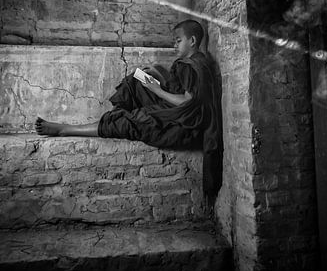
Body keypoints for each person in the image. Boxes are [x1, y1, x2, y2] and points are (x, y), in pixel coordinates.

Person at [35, 19, 223, 203]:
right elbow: (181, 90)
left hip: (184, 127)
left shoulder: (194, 65)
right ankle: (114, 122)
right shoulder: (194, 61)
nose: (174, 45)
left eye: (178, 40)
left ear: (192, 41)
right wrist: (159, 74)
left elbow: (185, 103)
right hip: (179, 115)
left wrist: (157, 90)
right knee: (135, 81)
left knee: (128, 119)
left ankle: (65, 129)